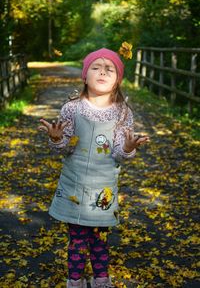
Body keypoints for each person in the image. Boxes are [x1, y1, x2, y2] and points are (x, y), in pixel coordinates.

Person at [39, 48, 149, 288]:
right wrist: (58, 139)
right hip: (74, 185)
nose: (102, 72)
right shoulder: (72, 108)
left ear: (118, 79)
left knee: (100, 239)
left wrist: (129, 147)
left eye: (109, 69)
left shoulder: (123, 113)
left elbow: (120, 154)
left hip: (103, 189)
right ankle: (75, 281)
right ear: (84, 75)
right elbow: (65, 149)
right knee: (77, 240)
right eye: (96, 67)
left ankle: (101, 280)